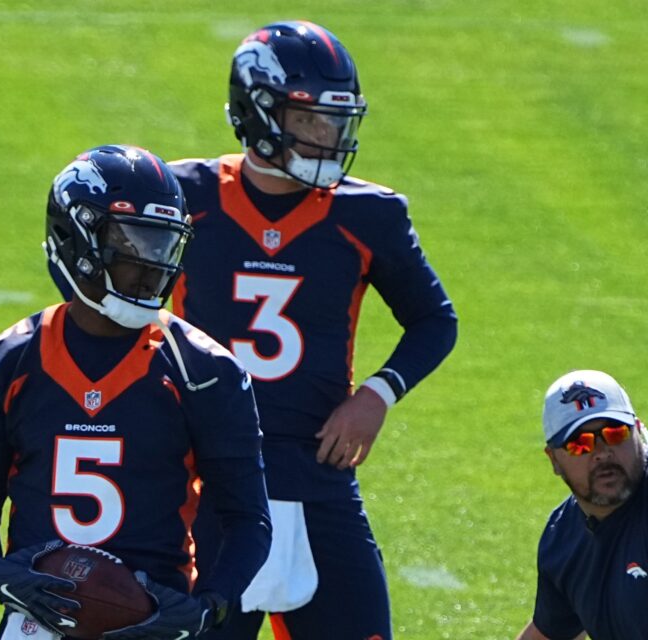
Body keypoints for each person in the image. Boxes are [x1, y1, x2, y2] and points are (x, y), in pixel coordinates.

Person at [168, 21, 459, 640]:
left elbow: (435, 319)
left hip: (316, 471)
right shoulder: (182, 197)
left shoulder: (368, 214)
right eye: (309, 118)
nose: (328, 135)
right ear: (259, 111)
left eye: (336, 119)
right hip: (205, 478)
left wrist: (376, 395)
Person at [0, 144, 272, 640]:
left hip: (153, 620)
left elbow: (248, 518)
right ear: (76, 241)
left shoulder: (205, 371)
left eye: (164, 246)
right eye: (135, 244)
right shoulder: (2, 365)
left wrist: (209, 606)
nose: (153, 267)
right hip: (36, 620)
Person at [516, 369, 648, 640]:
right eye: (580, 444)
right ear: (554, 460)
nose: (602, 453)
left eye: (615, 433)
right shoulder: (563, 537)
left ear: (638, 431)